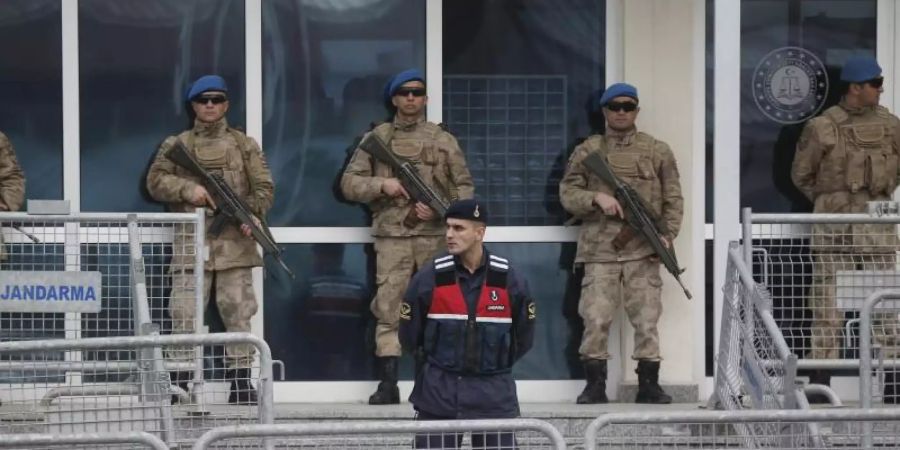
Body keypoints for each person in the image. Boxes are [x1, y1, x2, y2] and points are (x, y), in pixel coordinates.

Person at [340, 68, 474, 404]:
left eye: (417, 93)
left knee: (438, 308)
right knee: (389, 308)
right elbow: (349, 184)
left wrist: (446, 212)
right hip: (393, 238)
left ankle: (433, 382)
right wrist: (382, 185)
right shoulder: (378, 140)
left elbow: (465, 188)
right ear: (394, 99)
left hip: (435, 239)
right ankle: (389, 383)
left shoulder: (443, 141)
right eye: (404, 93)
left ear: (426, 99)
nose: (411, 98)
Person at [147, 75, 274, 405]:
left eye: (216, 100)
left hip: (235, 244)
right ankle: (180, 382)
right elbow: (156, 182)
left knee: (238, 312)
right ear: (193, 105)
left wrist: (250, 214)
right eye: (203, 100)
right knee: (184, 313)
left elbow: (265, 190)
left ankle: (241, 382)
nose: (209, 105)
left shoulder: (245, 146)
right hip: (191, 243)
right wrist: (190, 190)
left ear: (226, 105)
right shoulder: (177, 145)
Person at [559, 82, 683, 404]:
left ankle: (649, 385)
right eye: (615, 106)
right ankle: (595, 386)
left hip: (642, 250)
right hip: (599, 251)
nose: (622, 112)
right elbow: (567, 194)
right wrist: (596, 197)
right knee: (595, 318)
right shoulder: (589, 151)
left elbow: (673, 198)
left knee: (646, 320)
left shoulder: (657, 150)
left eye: (628, 106)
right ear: (604, 111)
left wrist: (666, 235)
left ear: (637, 111)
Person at [791, 55, 900, 403]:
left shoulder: (891, 125)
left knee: (885, 308)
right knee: (827, 309)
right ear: (855, 87)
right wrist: (834, 203)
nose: (881, 90)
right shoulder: (822, 127)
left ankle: (894, 385)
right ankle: (821, 388)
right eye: (875, 84)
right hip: (834, 231)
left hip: (876, 230)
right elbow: (801, 176)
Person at [400, 199, 536, 449]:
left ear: (479, 232)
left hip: (493, 397)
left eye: (459, 228)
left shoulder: (508, 278)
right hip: (439, 394)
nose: (449, 235)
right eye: (448, 227)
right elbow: (409, 337)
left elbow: (524, 338)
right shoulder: (430, 277)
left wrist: (492, 364)